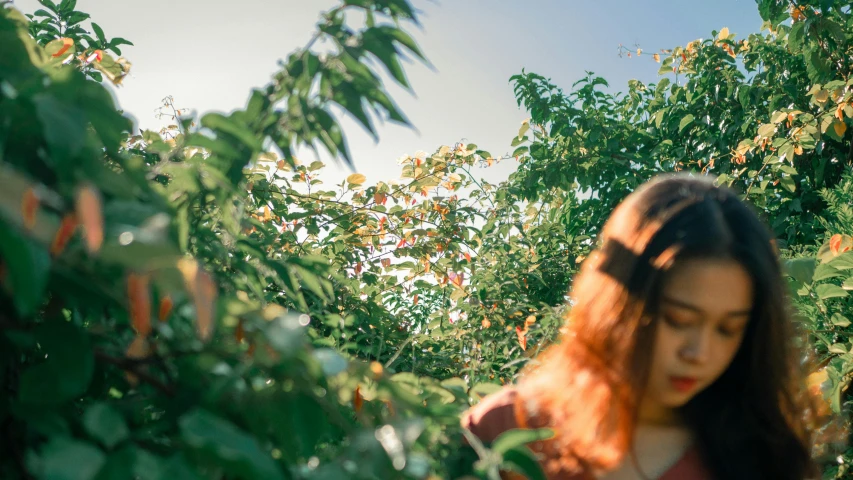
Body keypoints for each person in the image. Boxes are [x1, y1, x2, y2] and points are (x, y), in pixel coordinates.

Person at [460, 174, 818, 480]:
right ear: (616, 304)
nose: (699, 353)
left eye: (729, 329)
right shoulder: (507, 428)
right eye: (678, 320)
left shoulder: (758, 457)